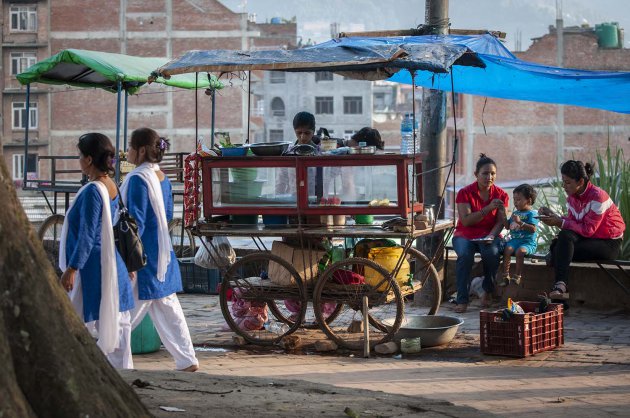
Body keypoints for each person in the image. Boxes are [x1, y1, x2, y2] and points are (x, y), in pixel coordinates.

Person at [121, 127, 199, 372]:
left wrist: (126, 258)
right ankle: (187, 360)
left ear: (141, 150)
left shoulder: (136, 179)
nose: (127, 152)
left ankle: (115, 361)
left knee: (121, 313)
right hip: (162, 253)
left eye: (131, 147)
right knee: (168, 308)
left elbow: (135, 223)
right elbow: (165, 215)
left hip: (142, 256)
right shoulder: (161, 177)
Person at [59, 132, 134, 369]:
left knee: (108, 324)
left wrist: (72, 268)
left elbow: (88, 234)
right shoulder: (110, 185)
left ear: (89, 160)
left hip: (96, 267)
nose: (79, 160)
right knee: (117, 324)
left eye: (80, 156)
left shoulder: (93, 191)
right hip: (111, 264)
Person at [538, 160, 625, 300]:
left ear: (580, 182)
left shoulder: (598, 197)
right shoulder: (572, 199)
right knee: (564, 238)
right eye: (563, 181)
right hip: (589, 239)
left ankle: (560, 289)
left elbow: (588, 230)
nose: (564, 186)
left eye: (567, 182)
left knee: (558, 249)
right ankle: (561, 288)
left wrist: (560, 222)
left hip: (608, 244)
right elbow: (574, 224)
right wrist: (554, 217)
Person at [452, 154, 508, 313]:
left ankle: (486, 290)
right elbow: (467, 220)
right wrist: (487, 209)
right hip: (465, 234)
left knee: (491, 253)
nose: (489, 177)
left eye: (492, 174)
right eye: (485, 173)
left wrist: (491, 235)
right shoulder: (465, 192)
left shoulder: (501, 195)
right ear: (476, 174)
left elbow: (500, 222)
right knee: (465, 256)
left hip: (489, 234)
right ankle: (462, 299)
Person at [500, 184, 539, 286]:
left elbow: (533, 229)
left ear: (529, 201)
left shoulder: (532, 214)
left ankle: (517, 276)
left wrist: (520, 222)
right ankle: (505, 276)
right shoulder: (515, 213)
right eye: (514, 199)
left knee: (520, 252)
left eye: (518, 199)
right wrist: (503, 215)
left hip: (527, 242)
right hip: (514, 241)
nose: (515, 202)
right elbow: (508, 226)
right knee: (507, 249)